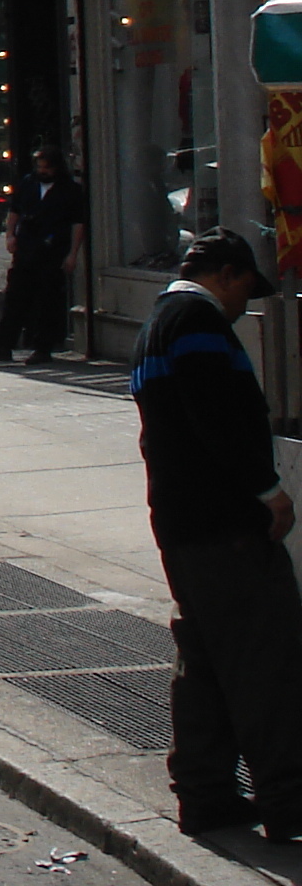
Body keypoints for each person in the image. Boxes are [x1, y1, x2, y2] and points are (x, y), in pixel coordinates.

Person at [132, 228, 302, 838]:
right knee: (267, 661)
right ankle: (288, 798)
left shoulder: (156, 324)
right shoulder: (197, 324)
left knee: (203, 663)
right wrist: (268, 490)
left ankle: (205, 794)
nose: (244, 306)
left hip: (180, 522)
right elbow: (218, 421)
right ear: (225, 274)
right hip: (224, 524)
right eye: (243, 291)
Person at [0, 145, 87, 365]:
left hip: (53, 250)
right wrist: (10, 235)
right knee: (15, 295)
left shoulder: (70, 190)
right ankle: (3, 344)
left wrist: (73, 253)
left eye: (47, 168)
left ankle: (43, 348)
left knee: (48, 301)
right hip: (27, 247)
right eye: (40, 167)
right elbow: (14, 210)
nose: (43, 171)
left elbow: (77, 223)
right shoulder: (28, 183)